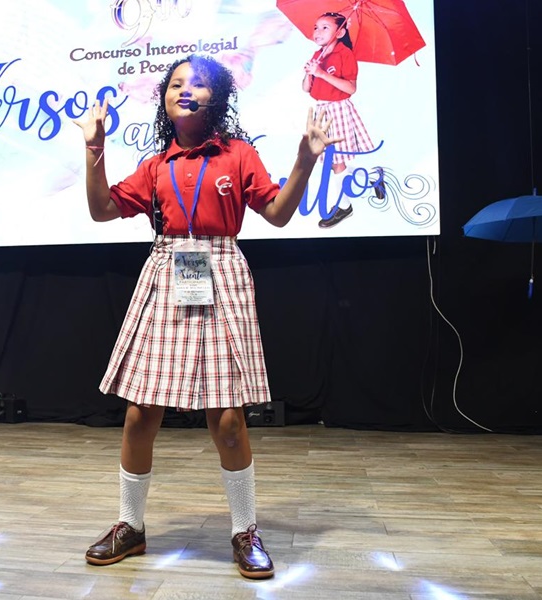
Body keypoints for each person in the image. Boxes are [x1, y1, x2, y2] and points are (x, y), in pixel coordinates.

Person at [73, 54, 340, 580]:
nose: (185, 90)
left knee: (229, 421)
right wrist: (94, 149)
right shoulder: (156, 166)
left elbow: (279, 214)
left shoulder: (238, 155)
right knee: (138, 414)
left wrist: (305, 161)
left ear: (215, 98)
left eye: (197, 84)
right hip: (166, 270)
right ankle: (131, 525)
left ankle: (245, 530)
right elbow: (102, 209)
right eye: (175, 84)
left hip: (221, 270)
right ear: (165, 101)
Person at [302, 11, 382, 228]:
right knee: (333, 162)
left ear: (341, 32)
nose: (318, 31)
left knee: (336, 161)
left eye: (325, 27)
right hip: (321, 113)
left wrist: (321, 73)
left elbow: (350, 87)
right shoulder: (317, 55)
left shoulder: (344, 54)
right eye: (316, 27)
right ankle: (374, 176)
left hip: (338, 110)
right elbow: (306, 89)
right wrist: (310, 73)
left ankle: (344, 207)